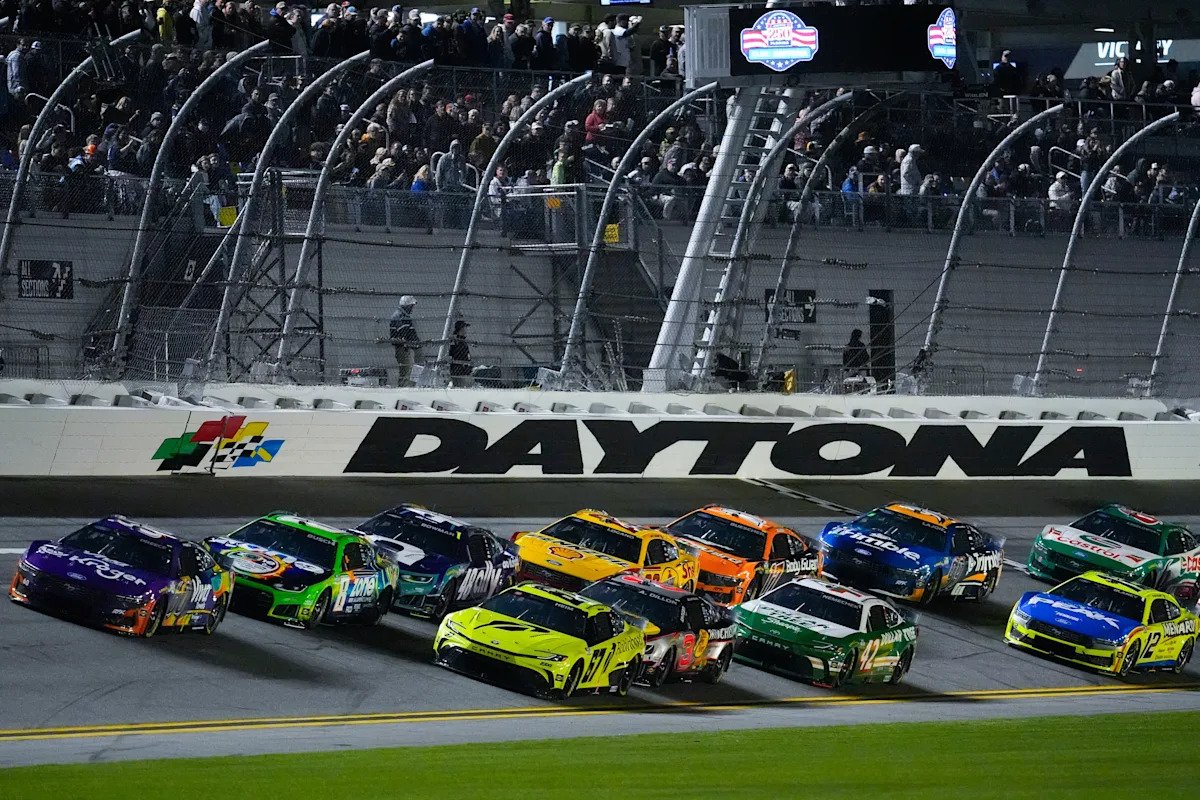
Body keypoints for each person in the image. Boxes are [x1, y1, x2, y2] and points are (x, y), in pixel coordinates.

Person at [389, 296, 421, 386]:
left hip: (407, 348)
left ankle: (410, 387)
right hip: (404, 349)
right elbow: (404, 334)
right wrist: (411, 342)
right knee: (406, 371)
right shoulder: (400, 317)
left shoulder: (404, 316)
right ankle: (404, 388)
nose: (413, 308)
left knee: (411, 370)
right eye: (412, 306)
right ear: (407, 306)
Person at [449, 320, 472, 387]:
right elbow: (452, 354)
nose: (466, 330)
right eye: (464, 328)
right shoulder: (456, 340)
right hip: (458, 369)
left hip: (463, 369)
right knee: (459, 387)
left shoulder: (462, 341)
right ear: (461, 328)